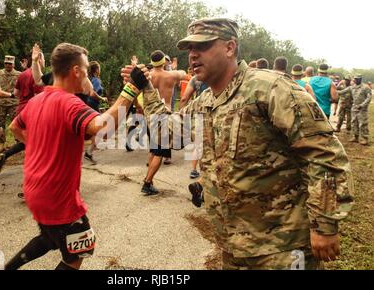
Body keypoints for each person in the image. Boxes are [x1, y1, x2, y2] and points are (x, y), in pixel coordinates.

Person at [124, 17, 354, 269]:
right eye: (190, 49)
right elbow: (167, 132)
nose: (193, 55)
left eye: (202, 46)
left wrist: (324, 224)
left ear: (230, 47)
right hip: (233, 246)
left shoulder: (270, 89)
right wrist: (145, 87)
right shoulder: (205, 102)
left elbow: (324, 155)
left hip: (282, 248)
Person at [5, 42, 148, 270]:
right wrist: (131, 89)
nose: (88, 75)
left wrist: (38, 145)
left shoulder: (37, 100)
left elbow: (14, 126)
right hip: (58, 199)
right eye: (85, 68)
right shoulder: (69, 102)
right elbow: (103, 128)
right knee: (79, 251)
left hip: (35, 192)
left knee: (51, 238)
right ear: (76, 71)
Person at [141, 50, 186, 195]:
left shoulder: (147, 77)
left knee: (153, 149)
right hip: (163, 116)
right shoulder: (171, 75)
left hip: (149, 115)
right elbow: (184, 73)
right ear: (163, 61)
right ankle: (147, 183)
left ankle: (149, 179)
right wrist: (174, 66)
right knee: (160, 152)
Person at [179, 74, 209, 179]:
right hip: (216, 112)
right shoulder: (218, 75)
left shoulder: (195, 79)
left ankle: (194, 170)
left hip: (199, 112)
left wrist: (181, 116)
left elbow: (184, 98)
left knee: (198, 144)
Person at [0, 55, 21, 152]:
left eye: (10, 64)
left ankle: (19, 142)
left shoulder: (19, 74)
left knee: (15, 123)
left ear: (13, 64)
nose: (8, 65)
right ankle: (1, 142)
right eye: (6, 63)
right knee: (0, 123)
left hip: (14, 103)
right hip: (1, 102)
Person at [85, 61, 108, 163]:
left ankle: (92, 147)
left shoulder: (89, 79)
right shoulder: (96, 81)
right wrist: (102, 98)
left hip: (88, 105)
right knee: (100, 128)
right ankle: (89, 152)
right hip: (92, 105)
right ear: (97, 70)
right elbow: (92, 93)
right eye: (99, 68)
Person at [338, 74, 372, 145]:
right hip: (354, 107)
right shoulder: (352, 87)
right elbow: (342, 92)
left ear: (360, 79)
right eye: (355, 79)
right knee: (354, 123)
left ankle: (365, 138)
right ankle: (355, 137)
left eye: (357, 79)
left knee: (363, 123)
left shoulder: (365, 87)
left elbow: (369, 98)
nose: (355, 80)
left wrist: (362, 105)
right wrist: (331, 91)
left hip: (362, 108)